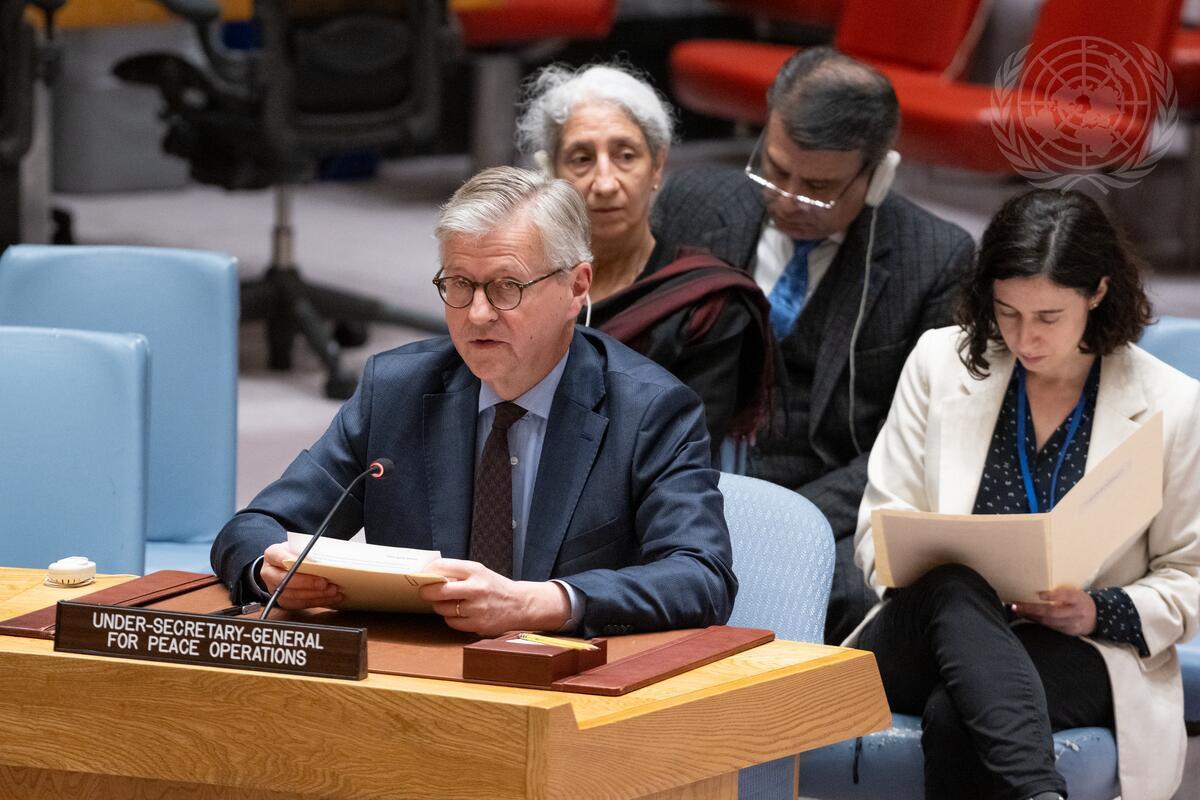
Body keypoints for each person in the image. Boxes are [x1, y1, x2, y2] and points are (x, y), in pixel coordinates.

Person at [211, 166, 737, 639]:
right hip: (417, 683)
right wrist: (268, 569)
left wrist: (541, 602)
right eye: (459, 285)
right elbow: (253, 527)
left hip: (573, 695)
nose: (478, 314)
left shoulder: (649, 411)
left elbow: (700, 576)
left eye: (507, 287)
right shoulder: (398, 389)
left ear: (577, 286)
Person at [851, 189, 1200, 800]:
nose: (1024, 338)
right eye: (1007, 312)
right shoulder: (941, 361)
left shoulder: (1172, 404)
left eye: (1048, 318)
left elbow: (1190, 574)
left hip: (1077, 642)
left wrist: (1097, 609)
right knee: (957, 586)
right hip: (926, 628)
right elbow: (879, 525)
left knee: (958, 716)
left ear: (1097, 293)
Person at [653, 46, 975, 643]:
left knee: (843, 592)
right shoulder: (693, 207)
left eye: (819, 188)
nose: (787, 199)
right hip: (687, 482)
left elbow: (916, 442)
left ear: (878, 177)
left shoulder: (935, 260)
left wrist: (786, 523)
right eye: (775, 170)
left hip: (826, 499)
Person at [516, 63, 775, 458]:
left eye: (625, 156)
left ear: (657, 166)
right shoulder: (520, 283)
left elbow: (685, 456)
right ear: (551, 172)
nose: (605, 183)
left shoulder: (705, 306)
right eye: (582, 159)